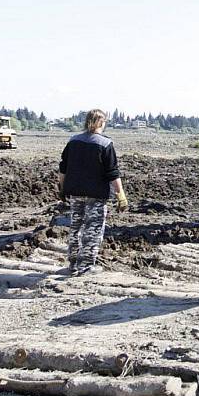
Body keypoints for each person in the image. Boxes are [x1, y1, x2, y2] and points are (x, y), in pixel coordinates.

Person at [58, 109, 128, 275]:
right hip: (96, 195)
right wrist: (121, 196)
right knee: (93, 229)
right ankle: (86, 266)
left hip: (75, 192)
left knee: (76, 227)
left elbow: (63, 168)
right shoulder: (105, 144)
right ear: (101, 123)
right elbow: (113, 173)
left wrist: (61, 188)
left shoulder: (73, 141)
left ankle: (73, 263)